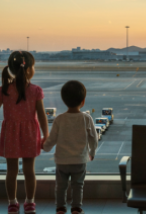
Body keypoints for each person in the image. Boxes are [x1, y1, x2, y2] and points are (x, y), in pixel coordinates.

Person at [0, 51, 49, 214]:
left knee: (11, 171)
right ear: (28, 70)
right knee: (29, 171)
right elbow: (42, 116)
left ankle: (12, 203)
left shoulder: (3, 90)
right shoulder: (36, 90)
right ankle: (29, 202)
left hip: (10, 133)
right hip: (29, 133)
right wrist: (46, 135)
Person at [42, 80, 98, 214]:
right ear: (83, 101)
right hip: (79, 160)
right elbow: (93, 138)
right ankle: (76, 208)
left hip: (62, 161)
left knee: (61, 186)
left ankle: (60, 208)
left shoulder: (59, 119)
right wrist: (92, 151)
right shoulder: (86, 118)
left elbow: (52, 139)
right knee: (78, 185)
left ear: (64, 101)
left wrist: (46, 147)